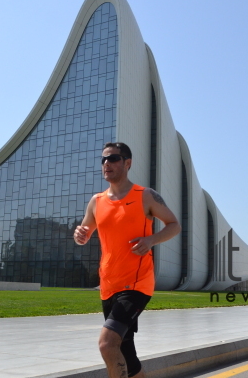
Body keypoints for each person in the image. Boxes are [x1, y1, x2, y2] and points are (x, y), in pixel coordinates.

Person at [74, 142, 180, 378]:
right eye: (103, 160)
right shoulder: (96, 201)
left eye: (112, 158)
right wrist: (79, 235)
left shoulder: (146, 196)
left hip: (136, 284)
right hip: (108, 285)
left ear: (127, 163)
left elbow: (174, 225)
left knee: (107, 344)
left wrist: (151, 240)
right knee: (126, 353)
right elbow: (84, 232)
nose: (106, 164)